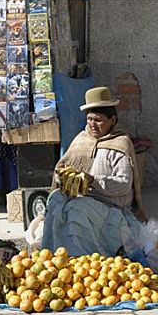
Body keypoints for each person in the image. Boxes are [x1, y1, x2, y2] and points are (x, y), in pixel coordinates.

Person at [41, 86, 146, 258]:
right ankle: (51, 255)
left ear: (112, 120)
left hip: (110, 208)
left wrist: (93, 180)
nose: (92, 125)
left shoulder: (121, 143)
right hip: (80, 199)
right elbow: (62, 167)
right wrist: (63, 178)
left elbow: (124, 184)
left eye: (98, 120)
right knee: (55, 201)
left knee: (76, 208)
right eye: (89, 119)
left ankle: (80, 258)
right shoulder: (81, 140)